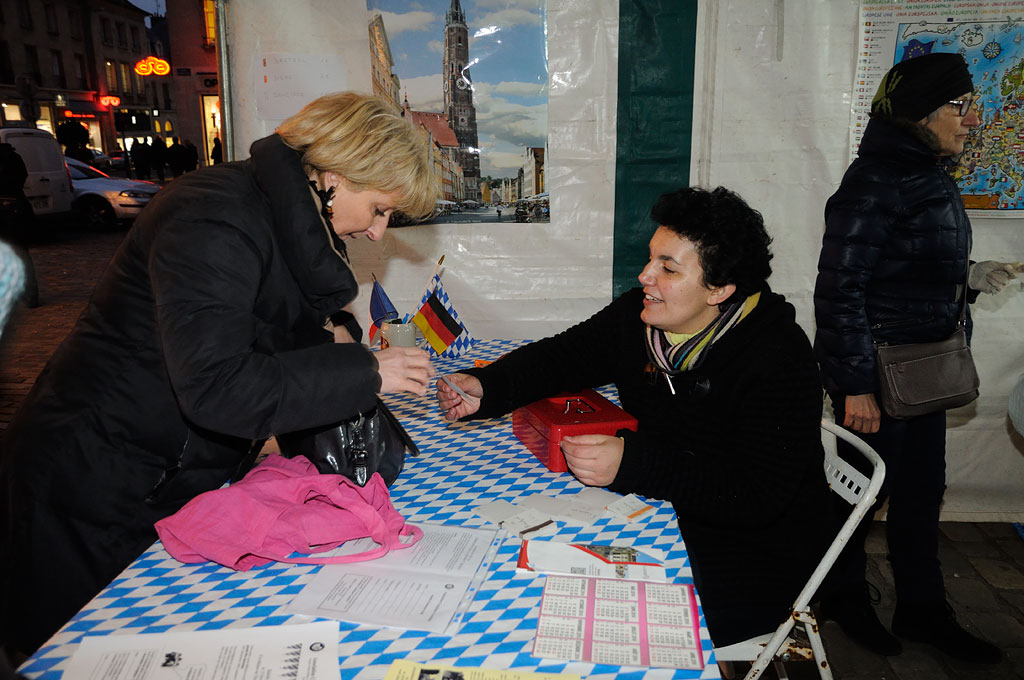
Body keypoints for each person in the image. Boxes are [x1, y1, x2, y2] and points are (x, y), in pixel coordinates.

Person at [0, 92, 439, 657]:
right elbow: (219, 385)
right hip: (91, 479)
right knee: (65, 655)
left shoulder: (276, 215)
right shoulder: (213, 214)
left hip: (168, 471)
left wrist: (336, 339)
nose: (378, 232)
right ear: (336, 174)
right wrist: (365, 371)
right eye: (380, 209)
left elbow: (273, 328)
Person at [437, 186, 833, 648]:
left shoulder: (777, 356)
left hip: (751, 557)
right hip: (667, 509)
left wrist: (632, 463)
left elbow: (755, 494)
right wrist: (489, 387)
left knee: (584, 612)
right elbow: (565, 356)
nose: (646, 275)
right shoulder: (641, 316)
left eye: (668, 268)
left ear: (719, 290)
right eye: (651, 259)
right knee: (526, 568)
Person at [814, 52, 1013, 664]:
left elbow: (903, 269)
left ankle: (924, 611)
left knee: (923, 496)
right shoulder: (877, 180)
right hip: (879, 375)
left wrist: (971, 276)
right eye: (959, 106)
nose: (971, 119)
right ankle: (844, 601)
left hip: (919, 373)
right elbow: (839, 289)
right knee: (858, 496)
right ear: (922, 114)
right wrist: (854, 385)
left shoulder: (919, 172)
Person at [0, 143, 38, 308]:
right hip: (16, 207)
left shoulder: (11, 158)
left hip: (9, 210)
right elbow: (22, 177)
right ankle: (29, 296)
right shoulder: (13, 156)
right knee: (21, 253)